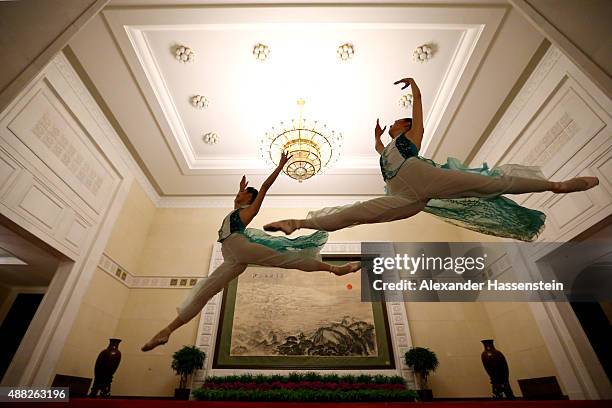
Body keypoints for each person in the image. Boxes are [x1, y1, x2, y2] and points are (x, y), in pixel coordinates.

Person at [264, 78, 599, 242]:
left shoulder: (411, 137)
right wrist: (377, 139)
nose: (395, 124)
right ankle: (299, 224)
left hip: (423, 176)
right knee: (357, 214)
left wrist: (417, 90)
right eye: (395, 124)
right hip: (404, 196)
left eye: (398, 122)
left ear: (405, 126)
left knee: (492, 183)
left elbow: (417, 115)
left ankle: (555, 185)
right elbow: (382, 155)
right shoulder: (390, 149)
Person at [142, 152, 361, 352]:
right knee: (205, 291)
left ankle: (336, 270)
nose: (239, 195)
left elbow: (264, 188)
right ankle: (167, 331)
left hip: (240, 246)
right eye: (239, 193)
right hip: (232, 256)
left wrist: (280, 165)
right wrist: (239, 189)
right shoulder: (236, 210)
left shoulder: (248, 212)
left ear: (250, 199)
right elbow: (236, 199)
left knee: (288, 259)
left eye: (244, 193)